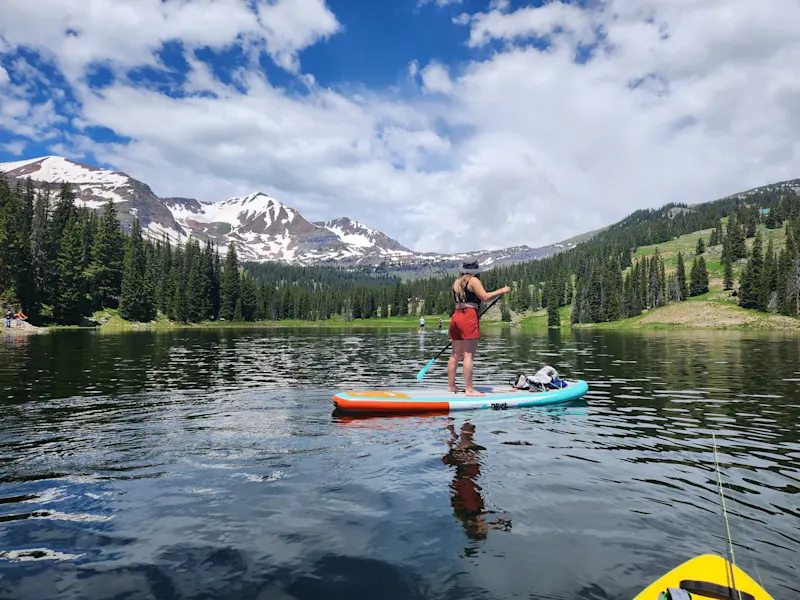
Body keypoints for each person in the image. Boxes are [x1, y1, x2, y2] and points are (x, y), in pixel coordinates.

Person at [448, 261, 510, 396]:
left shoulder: (456, 281)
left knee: (455, 354)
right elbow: (485, 297)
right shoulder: (473, 280)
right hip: (468, 316)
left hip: (456, 316)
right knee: (468, 354)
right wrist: (502, 290)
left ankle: (451, 386)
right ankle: (469, 389)